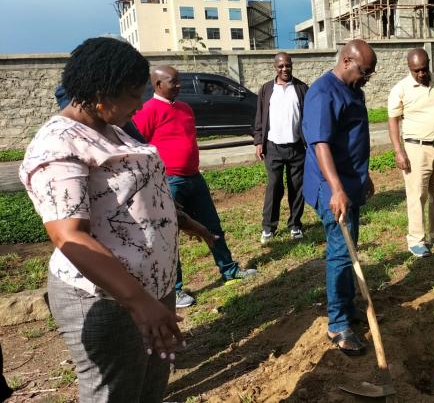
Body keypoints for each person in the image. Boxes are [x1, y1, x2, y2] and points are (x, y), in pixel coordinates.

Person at [19, 37, 211, 402]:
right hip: (108, 300)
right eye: (134, 95)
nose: (140, 105)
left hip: (152, 290)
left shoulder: (111, 127)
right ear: (100, 93)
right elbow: (69, 235)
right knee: (115, 393)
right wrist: (139, 302)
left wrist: (182, 220)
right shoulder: (58, 145)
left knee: (150, 387)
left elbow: (133, 191)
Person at [133, 65, 257, 309]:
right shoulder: (147, 112)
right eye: (174, 82)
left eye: (179, 81)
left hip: (194, 178)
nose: (180, 85)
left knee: (212, 224)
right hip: (169, 182)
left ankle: (229, 270)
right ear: (158, 85)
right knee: (170, 235)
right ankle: (175, 289)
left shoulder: (185, 109)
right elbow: (140, 148)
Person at [302, 39, 377, 356]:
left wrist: (364, 175)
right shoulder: (323, 93)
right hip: (333, 189)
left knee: (349, 250)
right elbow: (321, 145)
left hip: (350, 183)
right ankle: (337, 323)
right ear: (347, 60)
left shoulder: (353, 91)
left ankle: (346, 307)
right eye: (365, 71)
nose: (367, 78)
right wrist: (336, 188)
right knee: (340, 253)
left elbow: (353, 139)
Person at [387, 48, 434, 257]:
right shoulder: (401, 89)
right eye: (416, 71)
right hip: (415, 149)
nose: (421, 74)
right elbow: (393, 120)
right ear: (410, 69)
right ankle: (417, 240)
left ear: (429, 63)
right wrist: (398, 151)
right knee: (417, 195)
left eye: (424, 69)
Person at [254, 52, 309, 244]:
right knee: (274, 187)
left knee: (297, 188)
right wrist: (258, 141)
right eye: (281, 66)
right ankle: (268, 227)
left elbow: (308, 118)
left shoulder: (301, 88)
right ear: (275, 67)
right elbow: (260, 116)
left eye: (288, 65)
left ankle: (295, 225)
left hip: (297, 148)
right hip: (273, 147)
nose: (285, 69)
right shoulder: (267, 89)